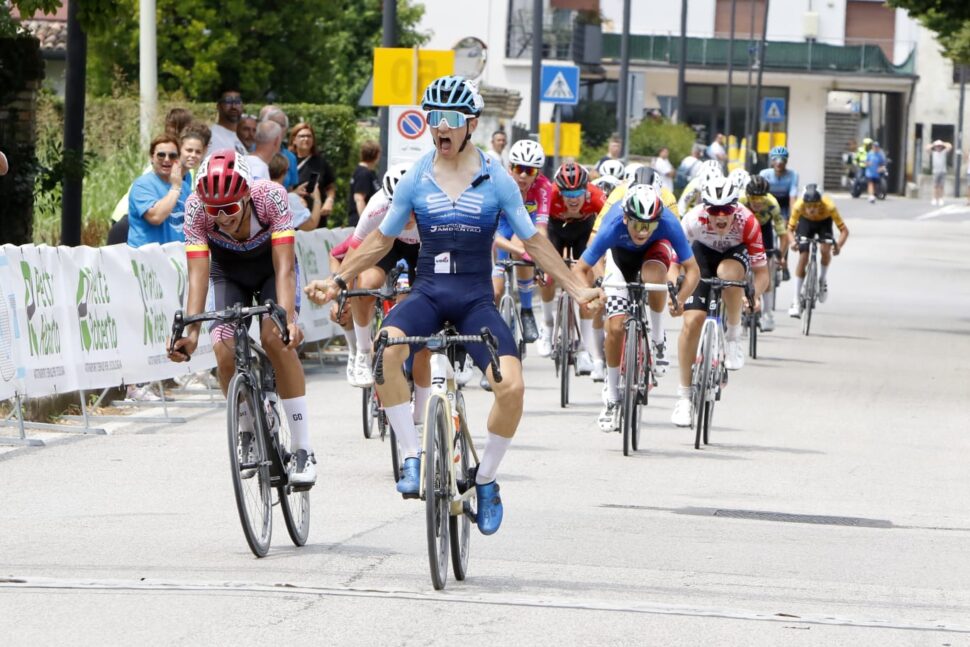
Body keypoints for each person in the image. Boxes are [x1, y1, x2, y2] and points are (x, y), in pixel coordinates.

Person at [304, 75, 603, 536]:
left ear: (471, 125)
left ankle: (486, 479)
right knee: (386, 351)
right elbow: (381, 238)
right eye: (432, 118)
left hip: (475, 299)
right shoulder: (417, 175)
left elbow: (534, 242)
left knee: (513, 388)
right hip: (427, 293)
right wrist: (338, 278)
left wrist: (575, 288)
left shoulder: (496, 178)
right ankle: (410, 454)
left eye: (450, 120)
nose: (439, 128)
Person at [168, 150, 316, 487]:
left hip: (270, 270)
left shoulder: (271, 197)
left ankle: (304, 447)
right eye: (214, 210)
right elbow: (197, 277)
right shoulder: (194, 207)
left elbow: (284, 268)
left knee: (274, 339)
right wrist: (190, 333)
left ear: (247, 196)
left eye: (231, 208)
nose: (223, 218)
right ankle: (247, 428)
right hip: (228, 273)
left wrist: (288, 321)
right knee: (222, 344)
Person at [575, 184, 699, 432]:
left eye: (649, 225)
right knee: (615, 327)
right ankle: (611, 396)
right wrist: (589, 293)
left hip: (655, 254)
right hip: (620, 259)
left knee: (653, 276)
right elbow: (580, 269)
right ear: (625, 218)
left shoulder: (668, 223)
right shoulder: (612, 226)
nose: (643, 231)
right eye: (637, 224)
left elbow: (693, 269)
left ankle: (657, 336)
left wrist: (682, 299)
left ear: (658, 221)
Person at [672, 176, 769, 427]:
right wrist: (676, 292)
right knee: (692, 322)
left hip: (734, 256)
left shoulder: (748, 221)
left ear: (735, 207)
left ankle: (734, 333)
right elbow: (674, 264)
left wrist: (754, 295)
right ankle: (683, 397)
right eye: (715, 210)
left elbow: (762, 274)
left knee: (728, 274)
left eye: (726, 209)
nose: (720, 216)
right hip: (701, 256)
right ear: (706, 209)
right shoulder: (692, 220)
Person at [535, 162, 608, 378]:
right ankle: (547, 325)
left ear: (586, 189)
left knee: (585, 286)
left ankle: (584, 349)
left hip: (584, 232)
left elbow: (607, 229)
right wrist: (541, 263)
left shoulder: (596, 196)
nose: (573, 198)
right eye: (567, 192)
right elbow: (539, 232)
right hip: (555, 231)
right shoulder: (550, 194)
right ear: (559, 190)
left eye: (578, 192)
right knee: (548, 277)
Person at [492, 138, 552, 347]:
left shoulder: (544, 187)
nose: (524, 175)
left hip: (526, 230)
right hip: (499, 230)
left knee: (523, 241)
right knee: (495, 292)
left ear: (538, 172)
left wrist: (542, 261)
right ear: (510, 168)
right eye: (519, 168)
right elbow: (491, 234)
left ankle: (526, 310)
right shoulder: (498, 183)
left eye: (530, 170)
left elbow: (542, 229)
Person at [787, 184, 849, 317]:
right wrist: (792, 242)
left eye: (815, 205)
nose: (811, 209)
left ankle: (822, 279)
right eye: (808, 206)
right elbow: (789, 230)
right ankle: (796, 300)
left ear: (820, 202)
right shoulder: (799, 206)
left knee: (825, 249)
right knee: (803, 256)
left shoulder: (829, 206)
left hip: (824, 223)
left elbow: (844, 230)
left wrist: (838, 245)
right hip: (805, 223)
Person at [739, 175, 791, 332]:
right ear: (748, 196)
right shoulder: (740, 203)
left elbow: (783, 234)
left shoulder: (772, 204)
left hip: (764, 228)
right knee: (740, 267)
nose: (757, 202)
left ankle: (768, 315)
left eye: (761, 198)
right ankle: (741, 306)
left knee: (766, 270)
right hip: (744, 228)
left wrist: (780, 256)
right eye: (754, 198)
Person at [127, 134, 191, 248]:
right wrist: (175, 187)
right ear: (152, 157)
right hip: (147, 260)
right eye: (161, 155)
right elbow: (155, 217)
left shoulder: (185, 187)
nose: (166, 159)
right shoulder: (141, 185)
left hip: (177, 259)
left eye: (172, 156)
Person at [288, 122, 336, 227]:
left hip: (317, 217)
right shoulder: (287, 161)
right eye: (302, 136)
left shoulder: (321, 162)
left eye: (309, 136)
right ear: (294, 140)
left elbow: (330, 186)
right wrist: (294, 194)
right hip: (294, 219)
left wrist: (329, 200)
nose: (306, 139)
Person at [270, 153, 321, 231]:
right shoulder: (288, 199)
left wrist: (294, 193)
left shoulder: (254, 190)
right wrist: (317, 199)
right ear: (285, 173)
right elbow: (310, 225)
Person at [758, 146, 799, 221]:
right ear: (772, 161)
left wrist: (793, 220)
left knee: (784, 226)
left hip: (784, 205)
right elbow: (759, 196)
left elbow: (793, 198)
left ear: (786, 161)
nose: (779, 163)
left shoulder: (793, 175)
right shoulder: (764, 174)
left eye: (782, 160)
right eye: (775, 159)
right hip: (768, 203)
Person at [347, 140, 382, 227]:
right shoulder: (363, 173)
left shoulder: (369, 172)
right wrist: (365, 223)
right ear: (376, 155)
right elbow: (359, 198)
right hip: (359, 224)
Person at [209, 89, 246, 154]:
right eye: (228, 101)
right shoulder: (212, 136)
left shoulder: (243, 137)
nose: (233, 106)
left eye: (237, 102)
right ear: (218, 106)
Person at [927, 140, 952, 207]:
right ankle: (934, 198)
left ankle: (941, 198)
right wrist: (934, 144)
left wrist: (942, 143)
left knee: (941, 186)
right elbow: (927, 148)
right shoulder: (933, 153)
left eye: (939, 146)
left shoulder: (944, 152)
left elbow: (949, 146)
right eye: (937, 146)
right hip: (935, 171)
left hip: (943, 171)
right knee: (935, 186)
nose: (938, 147)